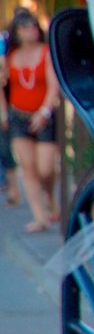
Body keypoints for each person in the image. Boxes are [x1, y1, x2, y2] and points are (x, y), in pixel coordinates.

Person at [8, 9, 60, 232]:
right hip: (18, 115)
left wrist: (44, 111)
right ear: (18, 32)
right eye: (26, 27)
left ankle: (49, 194)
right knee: (28, 168)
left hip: (43, 115)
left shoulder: (47, 52)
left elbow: (53, 85)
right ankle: (40, 217)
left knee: (45, 168)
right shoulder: (10, 56)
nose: (32, 31)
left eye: (34, 26)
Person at [0, 19, 21, 208]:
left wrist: (3, 110)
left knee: (5, 149)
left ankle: (14, 189)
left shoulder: (3, 45)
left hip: (6, 105)